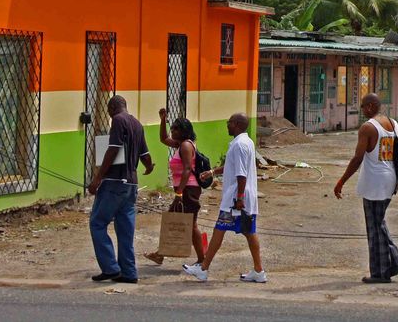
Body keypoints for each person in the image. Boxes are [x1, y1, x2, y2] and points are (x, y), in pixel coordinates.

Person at [182, 112, 266, 283]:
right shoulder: (245, 142)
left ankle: (203, 268)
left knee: (220, 230)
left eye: (229, 122)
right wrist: (212, 171)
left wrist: (240, 198)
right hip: (240, 198)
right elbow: (232, 166)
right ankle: (258, 271)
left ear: (235, 124)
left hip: (236, 200)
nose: (227, 125)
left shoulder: (240, 145)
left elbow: (241, 174)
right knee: (249, 232)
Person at [333, 93, 398, 284]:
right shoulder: (393, 124)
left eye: (364, 106)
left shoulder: (368, 128)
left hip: (375, 183)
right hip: (390, 179)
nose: (362, 110)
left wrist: (342, 181)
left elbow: (358, 158)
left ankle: (380, 272)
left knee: (374, 227)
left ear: (372, 106)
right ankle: (393, 261)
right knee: (379, 223)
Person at [88, 95, 154, 284]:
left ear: (113, 108)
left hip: (114, 181)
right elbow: (145, 155)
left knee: (98, 223)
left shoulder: (118, 120)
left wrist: (97, 178)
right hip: (132, 184)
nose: (109, 115)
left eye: (108, 111)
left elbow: (113, 149)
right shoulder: (137, 124)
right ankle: (129, 272)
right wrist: (149, 168)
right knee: (125, 229)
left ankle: (111, 268)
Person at [144, 109, 205, 266]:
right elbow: (164, 138)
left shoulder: (185, 146)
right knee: (173, 219)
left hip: (188, 190)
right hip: (185, 189)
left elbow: (186, 169)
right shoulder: (180, 144)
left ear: (183, 131)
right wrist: (163, 119)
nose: (172, 131)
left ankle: (202, 260)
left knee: (191, 225)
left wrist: (179, 192)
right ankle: (160, 254)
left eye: (175, 129)